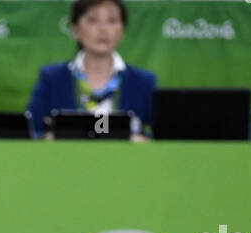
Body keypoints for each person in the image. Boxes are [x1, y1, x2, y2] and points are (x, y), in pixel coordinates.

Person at [25, 0, 155, 140]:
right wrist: (47, 138)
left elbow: (166, 137)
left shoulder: (143, 82)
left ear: (122, 30)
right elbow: (31, 131)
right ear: (75, 29)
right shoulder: (51, 78)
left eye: (112, 21)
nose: (103, 28)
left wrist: (143, 139)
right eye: (93, 20)